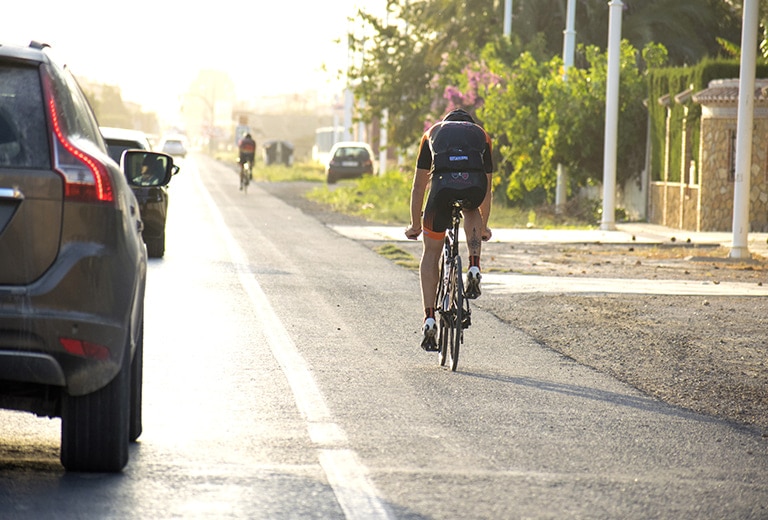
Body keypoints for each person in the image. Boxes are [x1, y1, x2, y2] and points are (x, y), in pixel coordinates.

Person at [405, 108, 494, 351]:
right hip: (473, 186)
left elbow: (419, 186)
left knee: (431, 253)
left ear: (447, 122)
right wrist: (484, 226)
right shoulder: (481, 135)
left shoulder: (432, 133)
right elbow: (487, 188)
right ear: (469, 123)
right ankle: (474, 264)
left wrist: (415, 224)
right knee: (472, 208)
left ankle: (430, 318)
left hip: (441, 191)